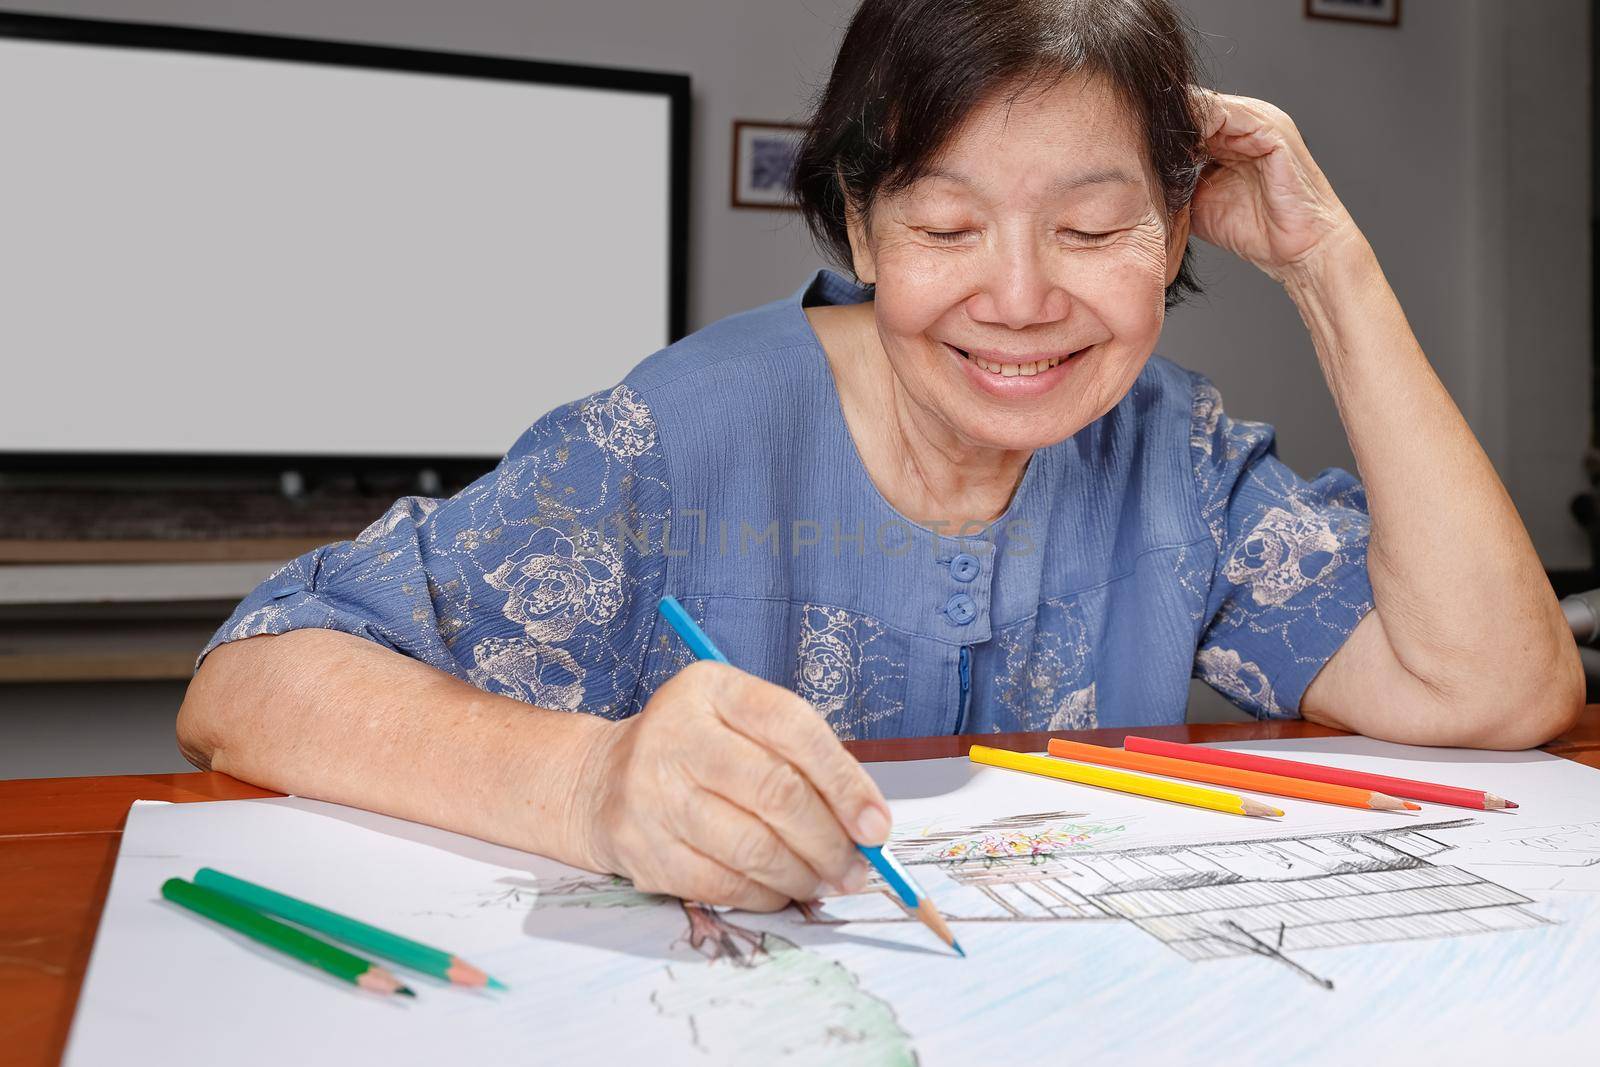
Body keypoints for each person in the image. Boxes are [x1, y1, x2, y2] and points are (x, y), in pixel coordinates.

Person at [178, 0, 1582, 912]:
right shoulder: (682, 435)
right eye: (947, 228)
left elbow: (1498, 688)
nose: (1022, 299)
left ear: (1175, 229)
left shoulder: (1180, 457)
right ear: (859, 225)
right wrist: (587, 786)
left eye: (1092, 232)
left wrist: (1330, 265)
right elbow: (255, 674)